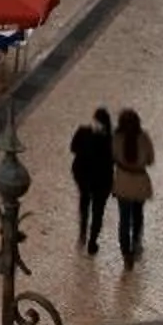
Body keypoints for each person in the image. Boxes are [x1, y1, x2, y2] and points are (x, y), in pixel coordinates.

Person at [110, 108, 155, 264]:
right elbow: (150, 160)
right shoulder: (143, 138)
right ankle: (136, 243)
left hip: (122, 182)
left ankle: (125, 252)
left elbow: (112, 156)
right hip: (139, 183)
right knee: (137, 214)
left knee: (124, 218)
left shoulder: (116, 138)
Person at [69, 106, 114, 252]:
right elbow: (73, 147)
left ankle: (87, 237)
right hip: (95, 181)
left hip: (92, 180)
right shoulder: (106, 139)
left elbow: (74, 148)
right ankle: (89, 237)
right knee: (94, 210)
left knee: (91, 208)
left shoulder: (104, 138)